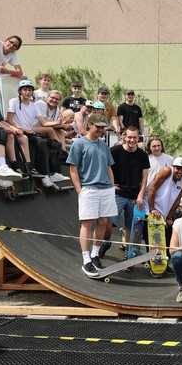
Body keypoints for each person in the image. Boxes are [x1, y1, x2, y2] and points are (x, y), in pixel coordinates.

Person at [66, 113, 116, 277]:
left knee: (103, 222)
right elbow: (73, 169)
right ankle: (86, 259)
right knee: (87, 224)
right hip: (89, 188)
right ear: (90, 125)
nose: (102, 130)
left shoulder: (103, 145)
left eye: (103, 127)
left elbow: (109, 167)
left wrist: (112, 186)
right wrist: (79, 190)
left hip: (106, 189)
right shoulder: (79, 144)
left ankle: (95, 254)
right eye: (99, 127)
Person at [6, 79, 62, 187]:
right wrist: (22, 128)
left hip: (30, 132)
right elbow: (9, 120)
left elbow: (43, 122)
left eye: (30, 90)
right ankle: (32, 169)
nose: (27, 92)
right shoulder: (14, 101)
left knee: (48, 143)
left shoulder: (34, 105)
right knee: (41, 142)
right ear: (20, 91)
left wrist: (58, 123)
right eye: (25, 90)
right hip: (19, 131)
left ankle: (49, 173)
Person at [108, 127, 150, 253]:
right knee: (107, 223)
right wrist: (110, 186)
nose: (132, 140)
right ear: (124, 137)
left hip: (134, 196)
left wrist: (141, 196)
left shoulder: (143, 155)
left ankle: (128, 250)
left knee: (130, 226)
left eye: (134, 137)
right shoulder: (115, 151)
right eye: (129, 137)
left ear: (138, 138)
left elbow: (144, 178)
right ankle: (100, 247)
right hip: (117, 194)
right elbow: (106, 168)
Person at [148, 157, 182, 244]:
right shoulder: (167, 171)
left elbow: (178, 199)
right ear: (173, 167)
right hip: (151, 210)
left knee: (161, 245)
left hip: (163, 215)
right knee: (151, 243)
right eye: (178, 168)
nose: (180, 172)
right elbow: (152, 189)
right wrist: (152, 209)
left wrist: (169, 216)